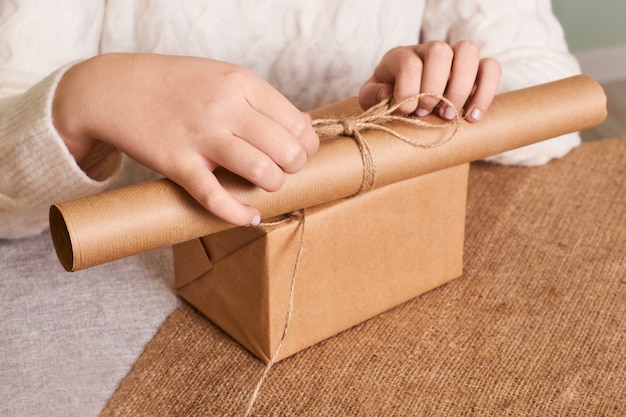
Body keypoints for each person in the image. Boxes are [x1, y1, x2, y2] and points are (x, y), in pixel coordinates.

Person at [0, 1, 582, 416]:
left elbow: (557, 93)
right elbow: (12, 196)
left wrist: (455, 85)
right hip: (132, 295)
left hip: (393, 323)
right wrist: (85, 96)